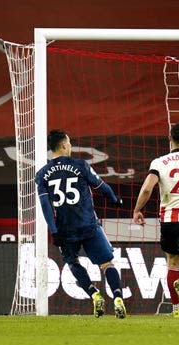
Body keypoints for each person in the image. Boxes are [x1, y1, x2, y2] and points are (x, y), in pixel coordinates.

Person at [35, 129, 127, 318]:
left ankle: (94, 295)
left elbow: (45, 206)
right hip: (89, 225)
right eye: (69, 142)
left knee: (72, 262)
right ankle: (118, 298)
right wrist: (114, 200)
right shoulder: (80, 165)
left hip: (64, 230)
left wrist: (54, 231)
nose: (70, 145)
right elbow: (101, 186)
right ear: (63, 145)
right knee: (107, 264)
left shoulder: (43, 174)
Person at [133, 122, 179, 319]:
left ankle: (175, 307)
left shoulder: (159, 162)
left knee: (172, 263)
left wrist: (138, 209)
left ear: (169, 138)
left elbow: (147, 188)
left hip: (168, 221)